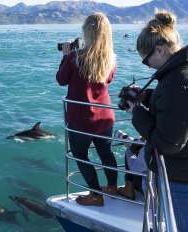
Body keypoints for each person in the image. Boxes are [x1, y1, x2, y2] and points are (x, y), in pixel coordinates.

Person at [129, 10, 188, 232]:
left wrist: (136, 112)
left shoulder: (181, 83)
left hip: (182, 172)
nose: (146, 64)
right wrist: (149, 97)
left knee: (186, 228)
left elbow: (168, 142)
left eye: (146, 58)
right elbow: (181, 111)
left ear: (159, 49)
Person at [56, 12, 117, 206]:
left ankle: (96, 194)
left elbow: (61, 80)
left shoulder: (75, 57)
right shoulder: (111, 58)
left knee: (80, 156)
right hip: (105, 117)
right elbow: (108, 79)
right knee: (106, 153)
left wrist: (65, 56)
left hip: (80, 119)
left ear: (86, 33)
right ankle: (114, 188)